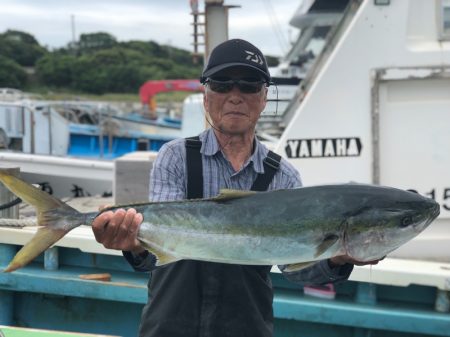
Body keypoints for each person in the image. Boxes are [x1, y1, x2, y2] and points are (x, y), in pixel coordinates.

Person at [92, 39, 381, 337]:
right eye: (221, 84)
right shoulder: (176, 157)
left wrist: (338, 257)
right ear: (206, 96)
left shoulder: (283, 176)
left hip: (246, 327)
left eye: (250, 85)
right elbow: (157, 253)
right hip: (169, 326)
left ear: (264, 97)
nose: (235, 96)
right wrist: (134, 246)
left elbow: (296, 268)